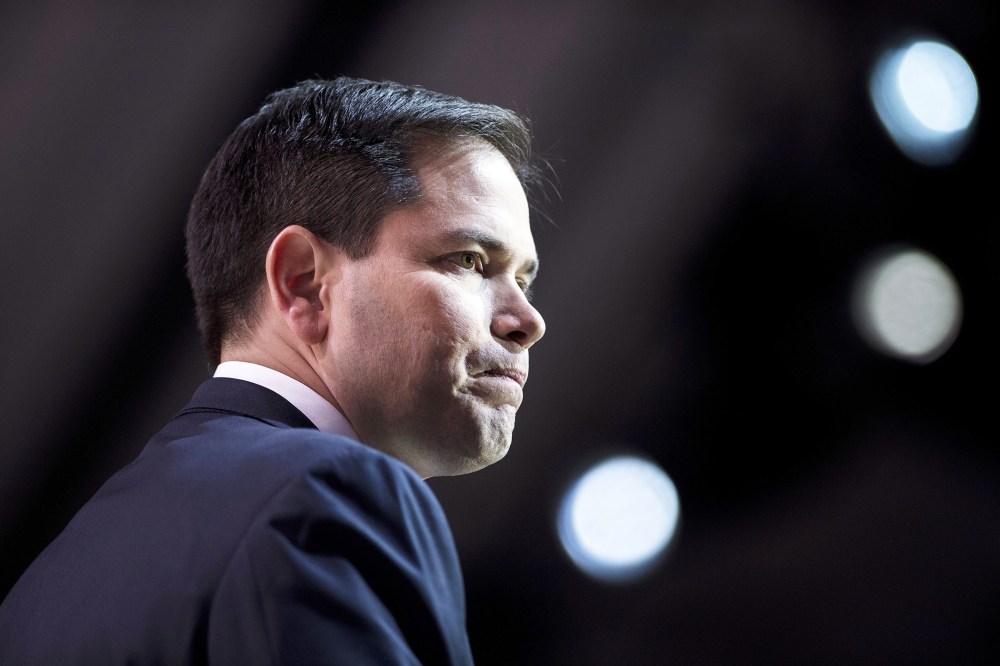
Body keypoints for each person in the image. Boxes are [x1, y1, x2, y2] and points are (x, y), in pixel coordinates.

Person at [0, 76, 546, 664]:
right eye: (470, 261)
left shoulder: (46, 582)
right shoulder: (328, 495)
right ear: (304, 283)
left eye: (524, 279)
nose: (527, 319)